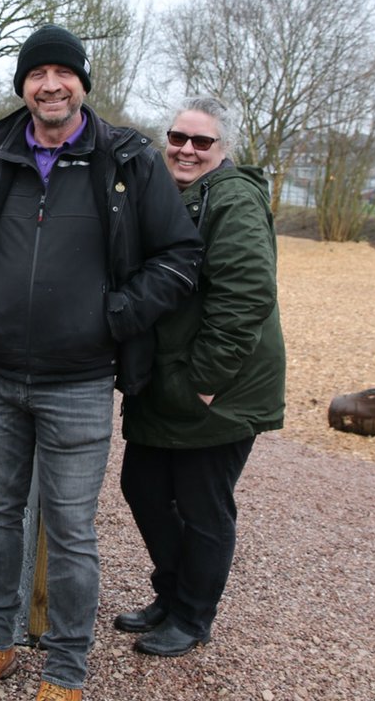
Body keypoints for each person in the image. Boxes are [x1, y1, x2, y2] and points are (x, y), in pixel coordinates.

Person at [0, 24, 202, 701]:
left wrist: (115, 316)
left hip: (78, 384)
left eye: (63, 72)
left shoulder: (128, 161)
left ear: (83, 81)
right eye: (36, 74)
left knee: (73, 530)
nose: (50, 85)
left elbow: (181, 257)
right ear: (22, 85)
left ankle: (66, 670)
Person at [116, 97, 285, 657]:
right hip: (167, 378)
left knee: (202, 505)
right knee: (142, 486)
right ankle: (171, 594)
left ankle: (192, 616)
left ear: (223, 149)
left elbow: (246, 297)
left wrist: (205, 380)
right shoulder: (172, 194)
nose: (186, 149)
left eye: (202, 141)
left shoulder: (232, 201)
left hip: (217, 387)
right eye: (178, 137)